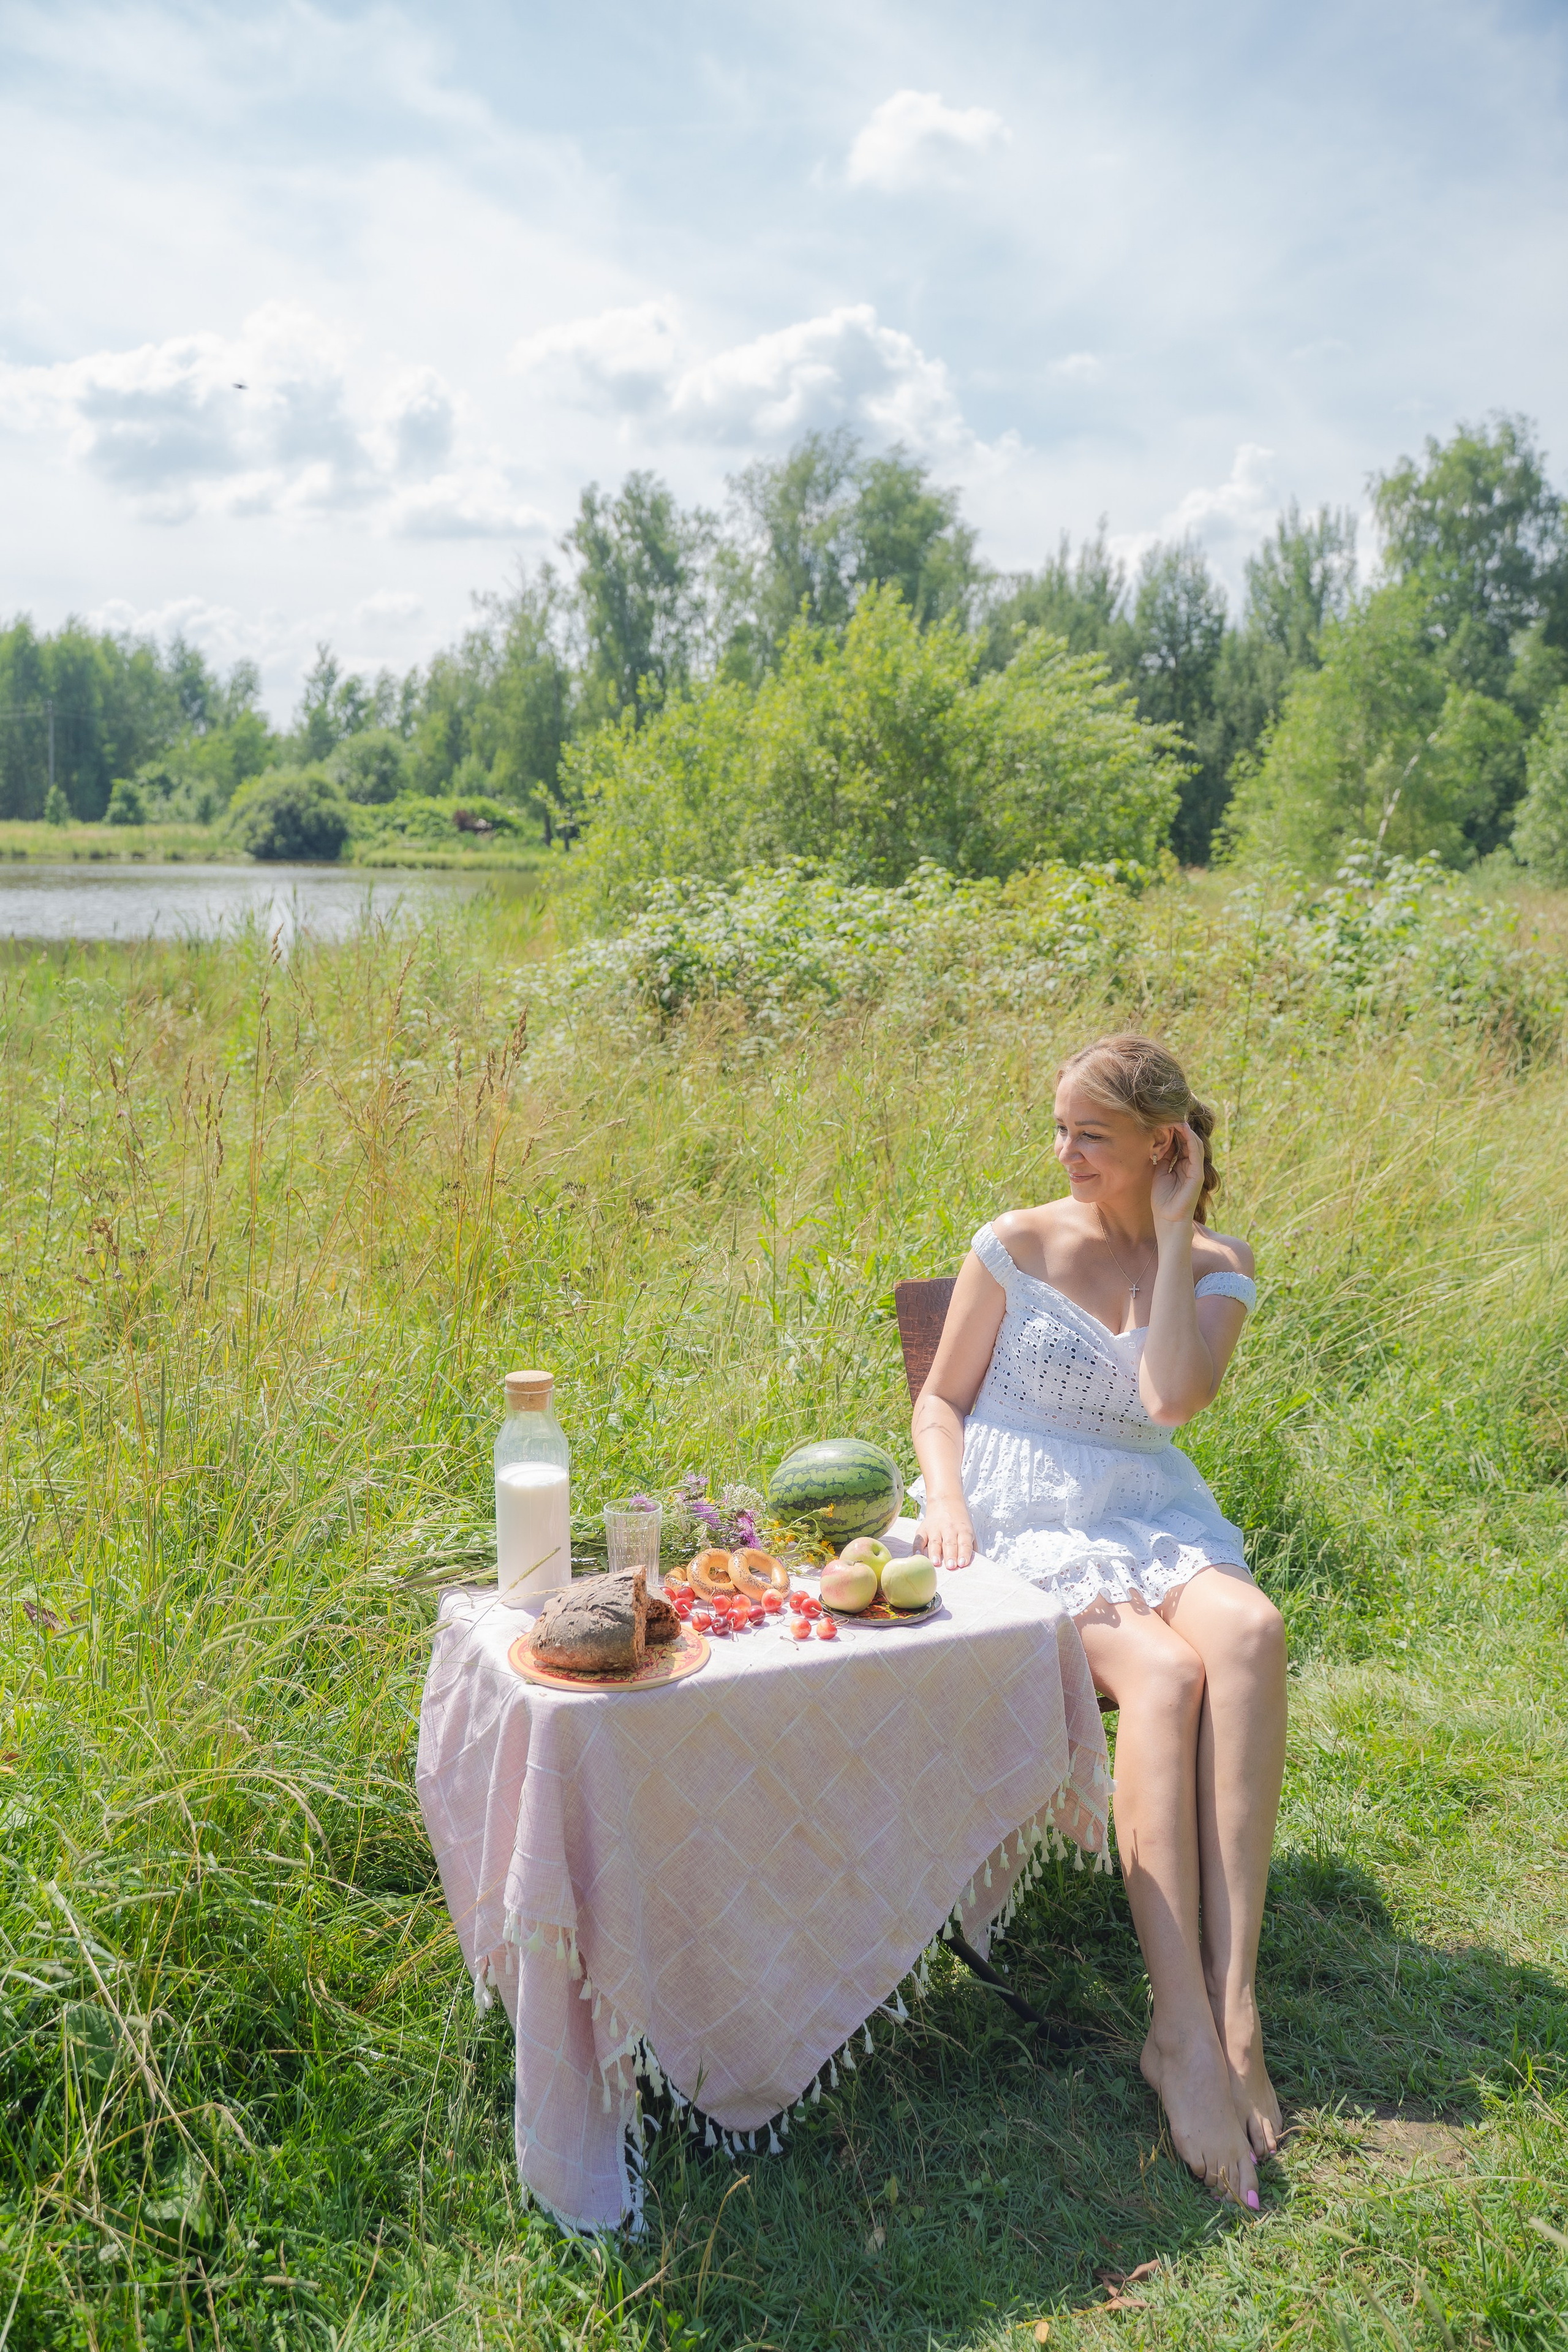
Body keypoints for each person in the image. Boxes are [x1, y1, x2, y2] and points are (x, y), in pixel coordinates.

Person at [910, 1033, 1284, 2211]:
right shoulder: (1015, 1244)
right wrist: (952, 1503)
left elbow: (1169, 1399)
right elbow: (940, 1399)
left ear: (1161, 1150)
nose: (1064, 1151)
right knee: (1166, 1682)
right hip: (1024, 1513)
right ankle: (1177, 2026)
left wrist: (1173, 1238)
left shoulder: (1216, 1262)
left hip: (1148, 1508)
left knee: (1250, 1634)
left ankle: (1236, 2006)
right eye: (1061, 1127)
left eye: (1092, 1135)